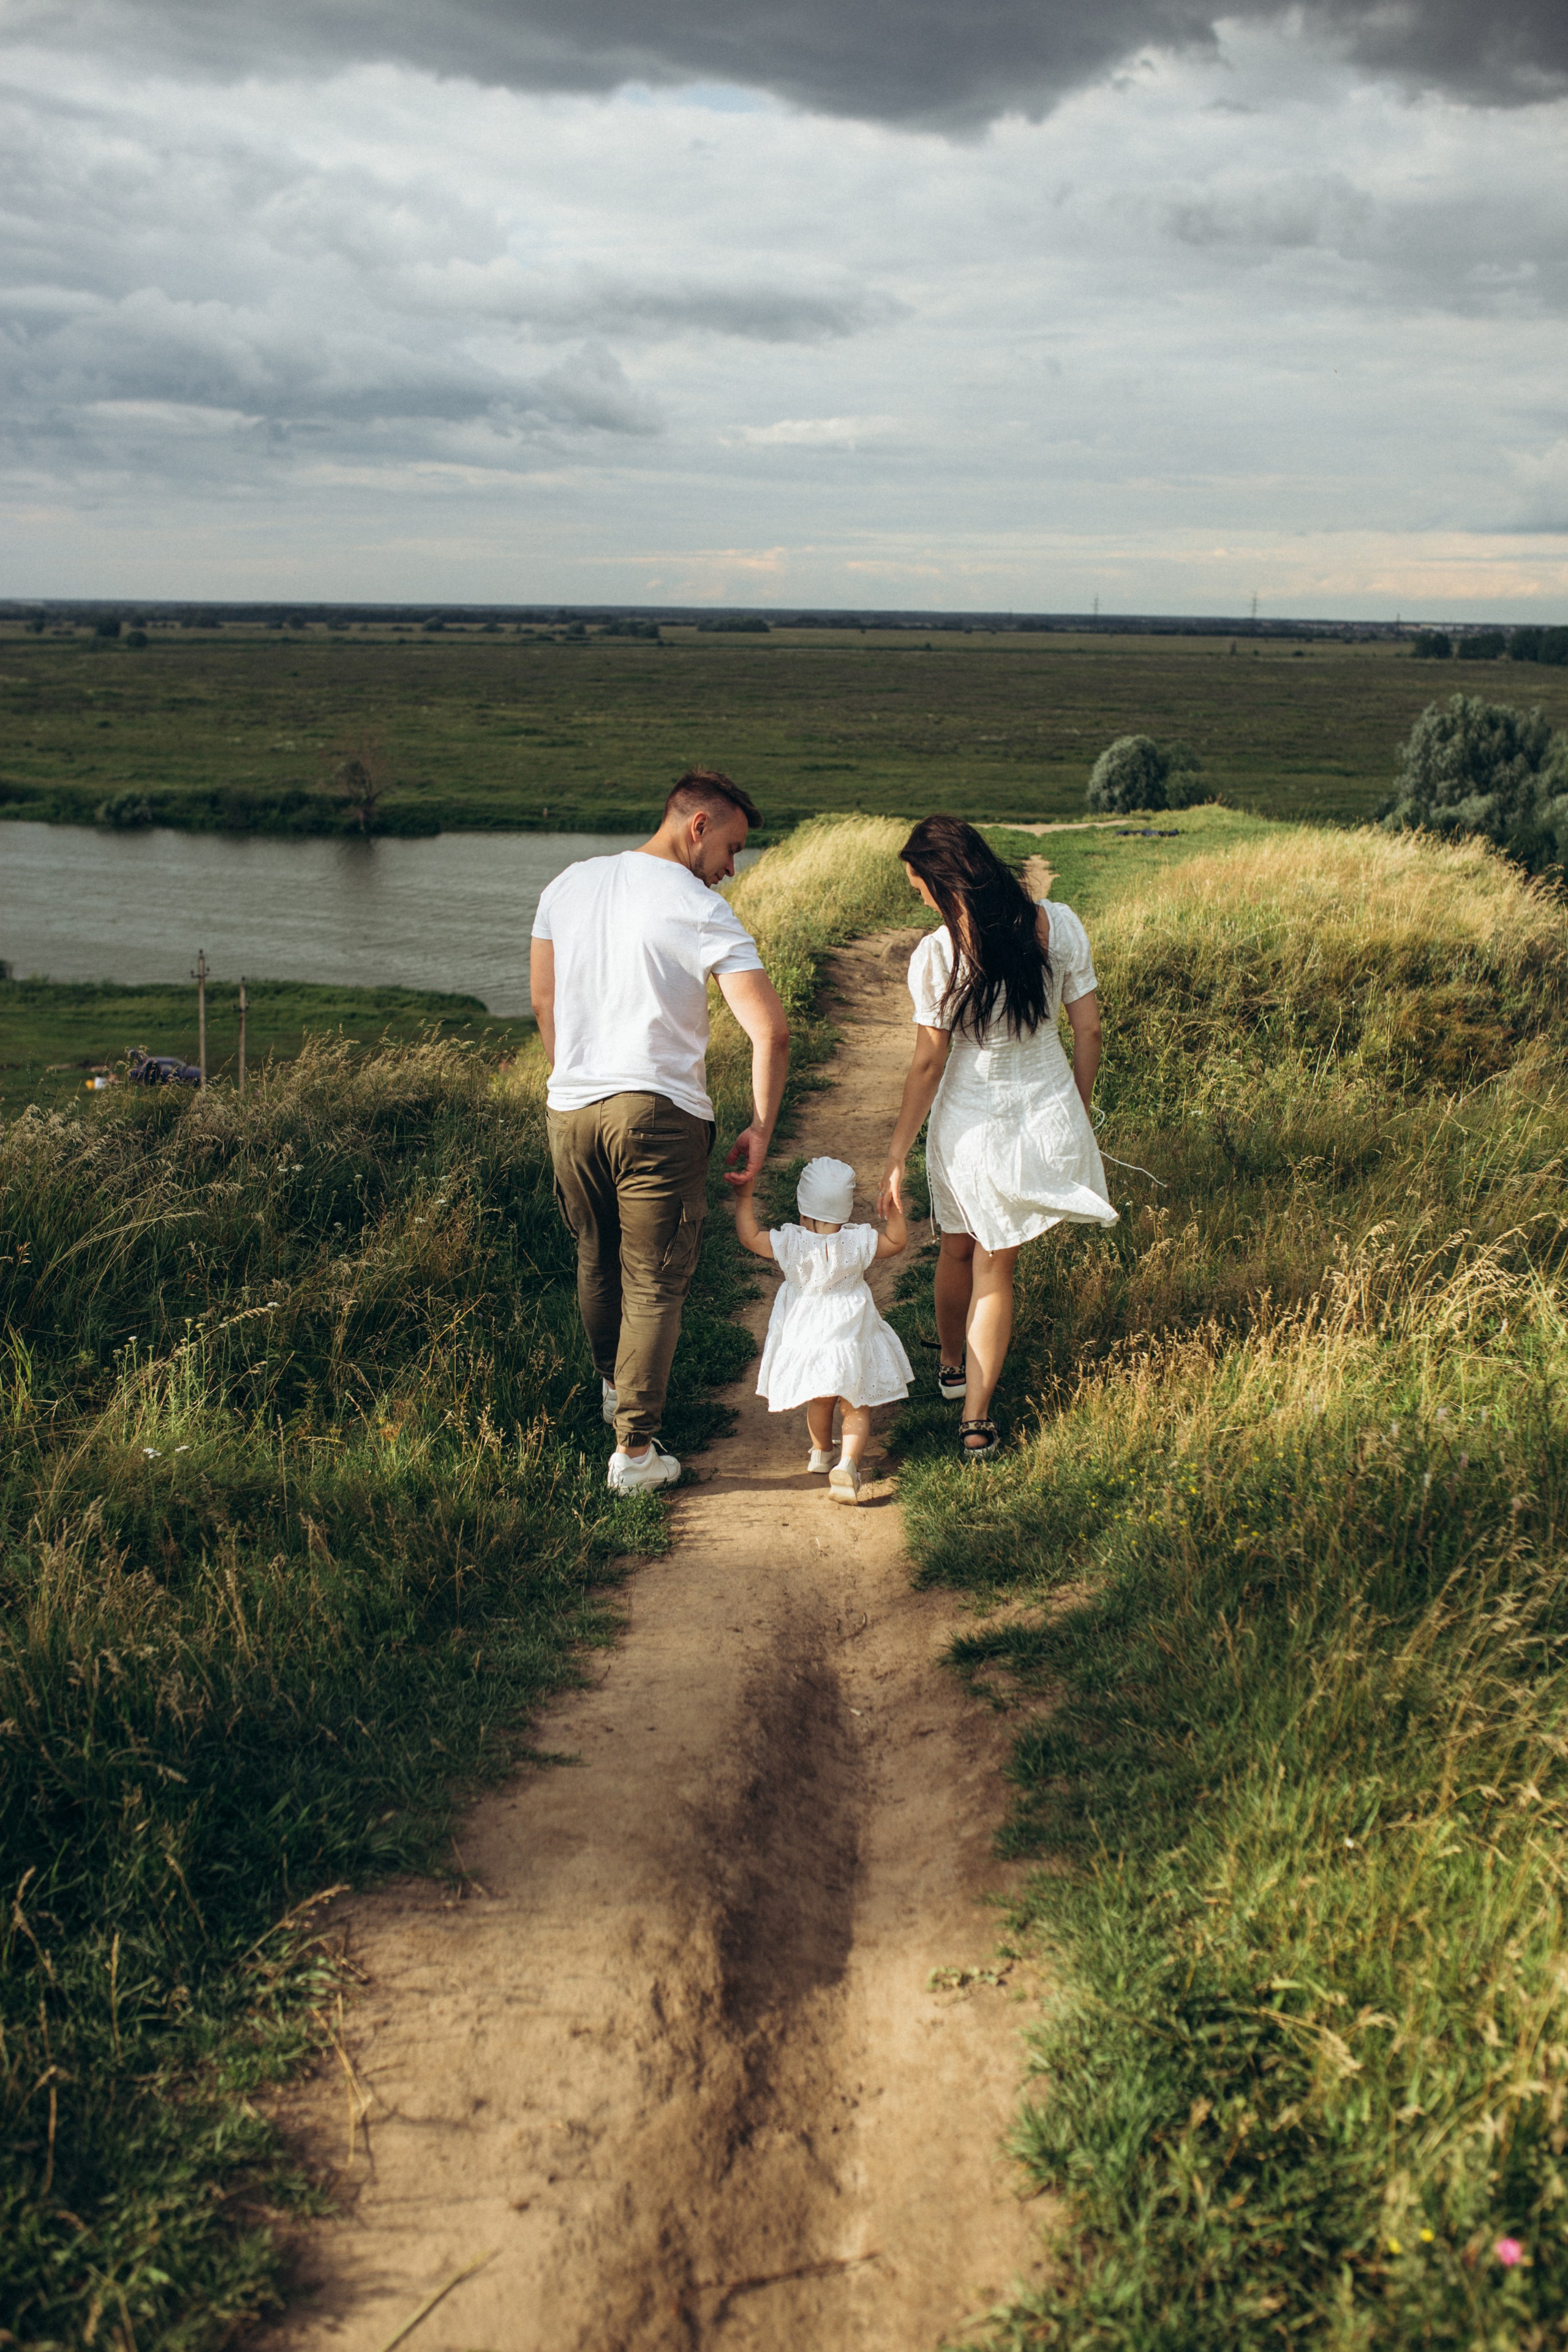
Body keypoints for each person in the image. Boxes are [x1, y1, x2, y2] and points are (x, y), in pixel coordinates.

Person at [530, 768, 790, 1491]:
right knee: (653, 1283)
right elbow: (770, 1031)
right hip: (659, 1114)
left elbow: (544, 1000)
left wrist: (579, 1079)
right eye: (732, 848)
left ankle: (614, 1393)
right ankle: (636, 1455)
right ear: (697, 825)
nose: (732, 869)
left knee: (596, 1256)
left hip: (572, 1108)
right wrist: (762, 1129)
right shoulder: (699, 908)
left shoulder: (568, 884)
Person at [877, 814, 1116, 1461]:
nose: (919, 896)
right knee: (995, 1264)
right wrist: (1077, 1107)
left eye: (919, 885)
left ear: (944, 878)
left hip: (967, 1120)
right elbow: (1088, 1032)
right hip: (1041, 1107)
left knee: (957, 1247)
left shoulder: (939, 954)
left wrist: (896, 1153)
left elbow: (928, 1063)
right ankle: (976, 1423)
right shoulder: (1057, 925)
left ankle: (953, 1369)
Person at [734, 1155, 911, 1506]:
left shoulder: (791, 1242)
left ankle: (821, 1452)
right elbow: (896, 1243)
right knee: (856, 1402)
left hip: (810, 1334)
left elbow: (751, 1236)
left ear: (803, 1209)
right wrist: (894, 1209)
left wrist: (744, 1198)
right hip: (850, 1334)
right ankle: (848, 1464)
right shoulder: (857, 1241)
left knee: (820, 1396)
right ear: (844, 1211)